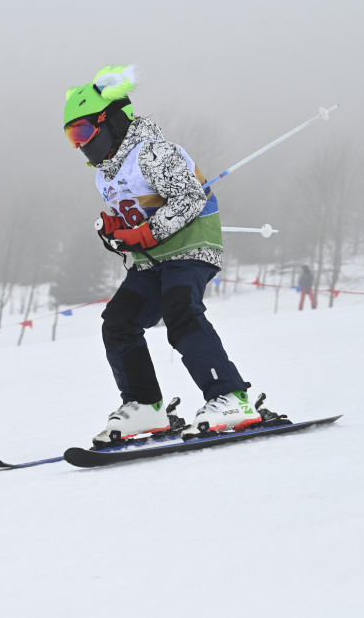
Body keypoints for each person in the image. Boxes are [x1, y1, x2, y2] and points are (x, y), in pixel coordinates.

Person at [63, 64, 267, 446]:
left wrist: (145, 232)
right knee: (118, 321)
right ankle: (144, 406)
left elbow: (192, 197)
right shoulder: (105, 174)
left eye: (83, 131)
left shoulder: (156, 153)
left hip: (191, 249)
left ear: (112, 122)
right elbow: (128, 223)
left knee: (180, 311)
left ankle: (231, 397)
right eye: (71, 136)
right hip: (151, 261)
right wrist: (113, 235)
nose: (80, 144)